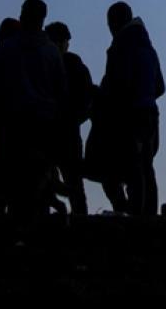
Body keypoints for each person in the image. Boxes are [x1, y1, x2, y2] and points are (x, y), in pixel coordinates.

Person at [0, 0, 68, 217]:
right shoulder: (52, 53)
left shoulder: (6, 49)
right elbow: (61, 92)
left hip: (10, 127)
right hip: (42, 128)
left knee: (6, 184)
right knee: (36, 188)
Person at [89, 1, 165, 216]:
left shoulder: (120, 48)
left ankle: (135, 217)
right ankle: (148, 215)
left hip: (130, 115)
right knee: (146, 168)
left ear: (113, 22)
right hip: (151, 113)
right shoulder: (148, 48)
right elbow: (160, 86)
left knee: (132, 169)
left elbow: (119, 85)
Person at [45, 21, 94, 215]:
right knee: (73, 183)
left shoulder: (45, 65)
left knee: (46, 182)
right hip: (68, 133)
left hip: (49, 131)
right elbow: (87, 101)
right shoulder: (76, 66)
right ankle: (80, 223)